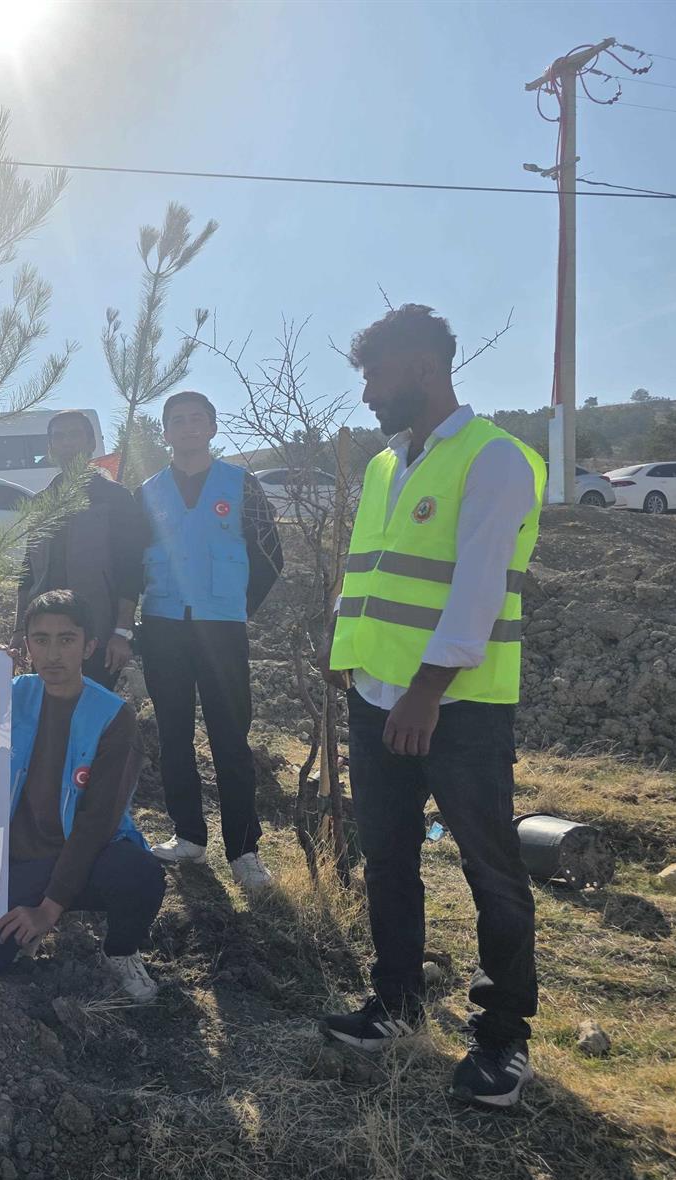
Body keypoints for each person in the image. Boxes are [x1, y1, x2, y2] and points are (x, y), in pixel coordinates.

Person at [319, 304, 544, 1110]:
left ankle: (503, 1040)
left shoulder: (495, 459)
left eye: (375, 376)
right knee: (389, 859)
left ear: (421, 367)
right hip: (378, 699)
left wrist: (424, 691)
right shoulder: (387, 465)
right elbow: (372, 573)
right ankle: (398, 1002)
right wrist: (345, 657)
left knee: (490, 869)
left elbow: (477, 590)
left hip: (458, 709)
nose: (368, 393)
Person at [0, 590, 165, 1003]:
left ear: (88, 647)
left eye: (66, 639)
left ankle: (121, 951)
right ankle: (22, 911)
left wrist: (48, 910)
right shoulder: (11, 694)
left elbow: (95, 823)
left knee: (140, 874)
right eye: (41, 639)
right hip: (18, 859)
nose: (52, 653)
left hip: (87, 854)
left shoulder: (112, 716)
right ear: (26, 644)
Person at [136, 391, 284, 892]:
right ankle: (188, 837)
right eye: (177, 421)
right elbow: (132, 560)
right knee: (174, 736)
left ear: (213, 426)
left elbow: (270, 557)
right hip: (163, 626)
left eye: (197, 419)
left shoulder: (241, 484)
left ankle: (244, 850)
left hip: (222, 628)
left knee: (230, 739)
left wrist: (237, 609)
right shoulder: (149, 491)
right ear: (166, 432)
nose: (187, 428)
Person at [16, 410, 149, 687]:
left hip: (95, 636)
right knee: (49, 718)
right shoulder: (43, 501)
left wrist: (122, 632)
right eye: (59, 437)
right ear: (50, 447)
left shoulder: (115, 498)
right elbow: (28, 574)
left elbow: (130, 570)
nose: (67, 442)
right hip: (44, 636)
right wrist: (20, 631)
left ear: (90, 443)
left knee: (91, 719)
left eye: (74, 434)